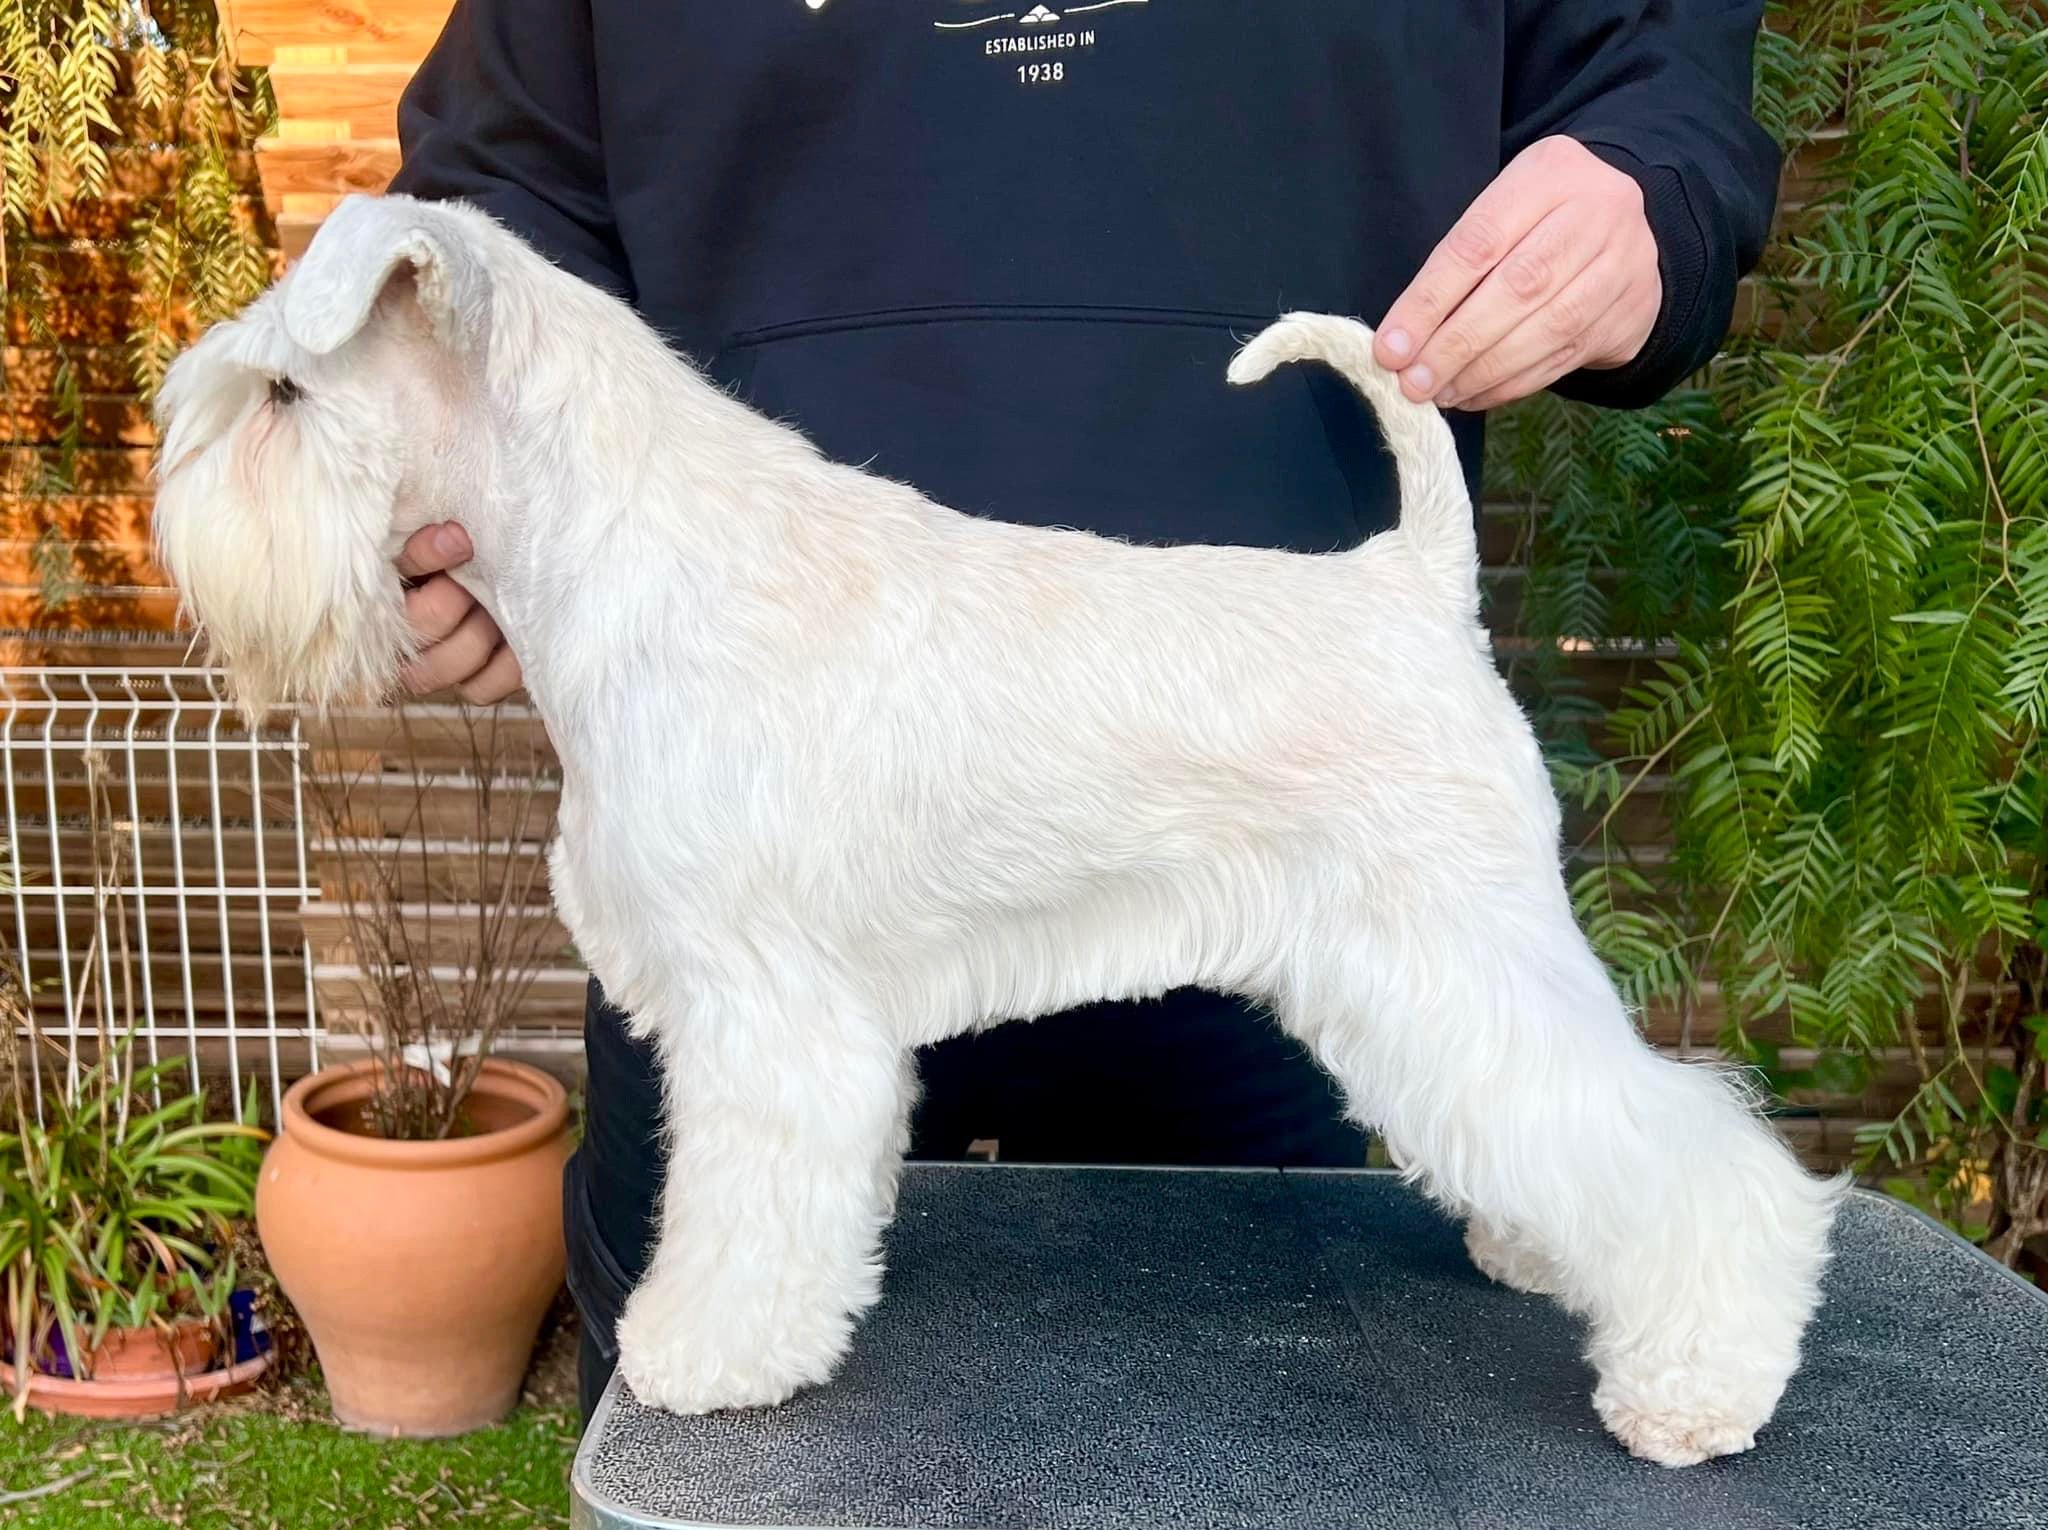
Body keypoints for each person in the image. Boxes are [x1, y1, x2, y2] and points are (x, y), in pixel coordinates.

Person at [382, 1, 1780, 1422]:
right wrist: (491, 483)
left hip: (1287, 778)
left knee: (1407, 1165)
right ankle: (1590, 1199)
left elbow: (1652, 59)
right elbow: (490, 206)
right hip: (745, 700)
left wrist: (1647, 177)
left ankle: (1706, 1248)